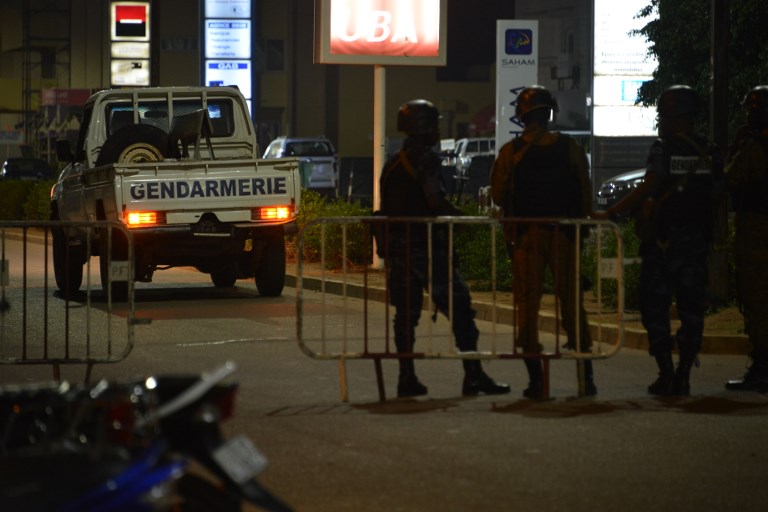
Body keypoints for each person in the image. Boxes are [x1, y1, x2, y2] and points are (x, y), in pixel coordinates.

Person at [595, 85, 723, 396]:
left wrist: (613, 211)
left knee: (654, 306)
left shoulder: (663, 148)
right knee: (692, 310)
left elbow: (650, 184)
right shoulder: (710, 151)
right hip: (696, 242)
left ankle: (666, 372)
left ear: (671, 116)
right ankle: (684, 375)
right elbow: (718, 195)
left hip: (664, 242)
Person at [379, 99, 510, 398]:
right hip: (425, 249)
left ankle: (406, 378)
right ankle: (473, 374)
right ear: (425, 128)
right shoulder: (425, 159)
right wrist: (466, 219)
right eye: (435, 124)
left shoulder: (394, 162)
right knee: (461, 309)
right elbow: (435, 201)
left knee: (406, 317)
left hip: (399, 250)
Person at [490, 85, 595, 400]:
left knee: (527, 306)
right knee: (572, 304)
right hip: (564, 234)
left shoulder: (512, 152)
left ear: (522, 117)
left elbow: (497, 195)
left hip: (527, 237)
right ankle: (586, 377)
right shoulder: (570, 147)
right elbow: (584, 193)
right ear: (549, 113)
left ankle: (537, 380)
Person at [723, 86, 768, 392]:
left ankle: (762, 368)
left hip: (756, 231)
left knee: (756, 299)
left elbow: (730, 178)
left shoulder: (752, 145)